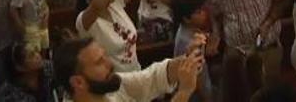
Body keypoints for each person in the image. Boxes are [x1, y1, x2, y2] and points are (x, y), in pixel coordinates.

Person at [197, 0, 289, 81]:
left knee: (267, 88)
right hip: (235, 49)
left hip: (266, 48)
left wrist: (268, 23)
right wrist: (216, 33)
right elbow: (215, 13)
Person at [52, 36, 202, 102]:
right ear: (78, 82)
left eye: (105, 56)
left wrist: (188, 60)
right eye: (99, 62)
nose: (110, 64)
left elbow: (151, 78)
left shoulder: (109, 85)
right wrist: (184, 91)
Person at [171, 0, 219, 102]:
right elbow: (200, 81)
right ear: (186, 19)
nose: (204, 13)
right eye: (198, 12)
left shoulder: (187, 30)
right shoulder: (190, 43)